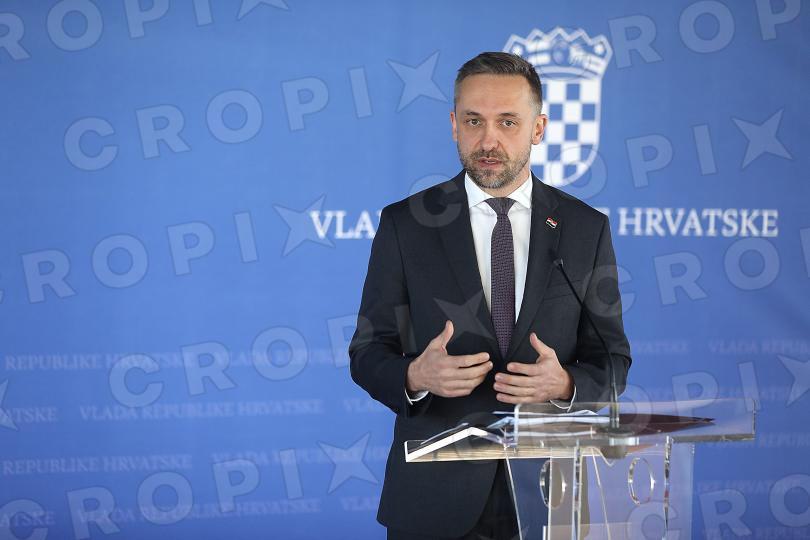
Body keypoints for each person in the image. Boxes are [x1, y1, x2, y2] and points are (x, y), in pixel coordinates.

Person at [349, 51, 631, 540]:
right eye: (474, 121)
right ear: (454, 125)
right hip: (434, 497)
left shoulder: (585, 229)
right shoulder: (405, 225)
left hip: (550, 494)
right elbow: (368, 353)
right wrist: (415, 375)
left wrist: (565, 385)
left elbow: (613, 362)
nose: (488, 140)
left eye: (508, 122)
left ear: (538, 128)